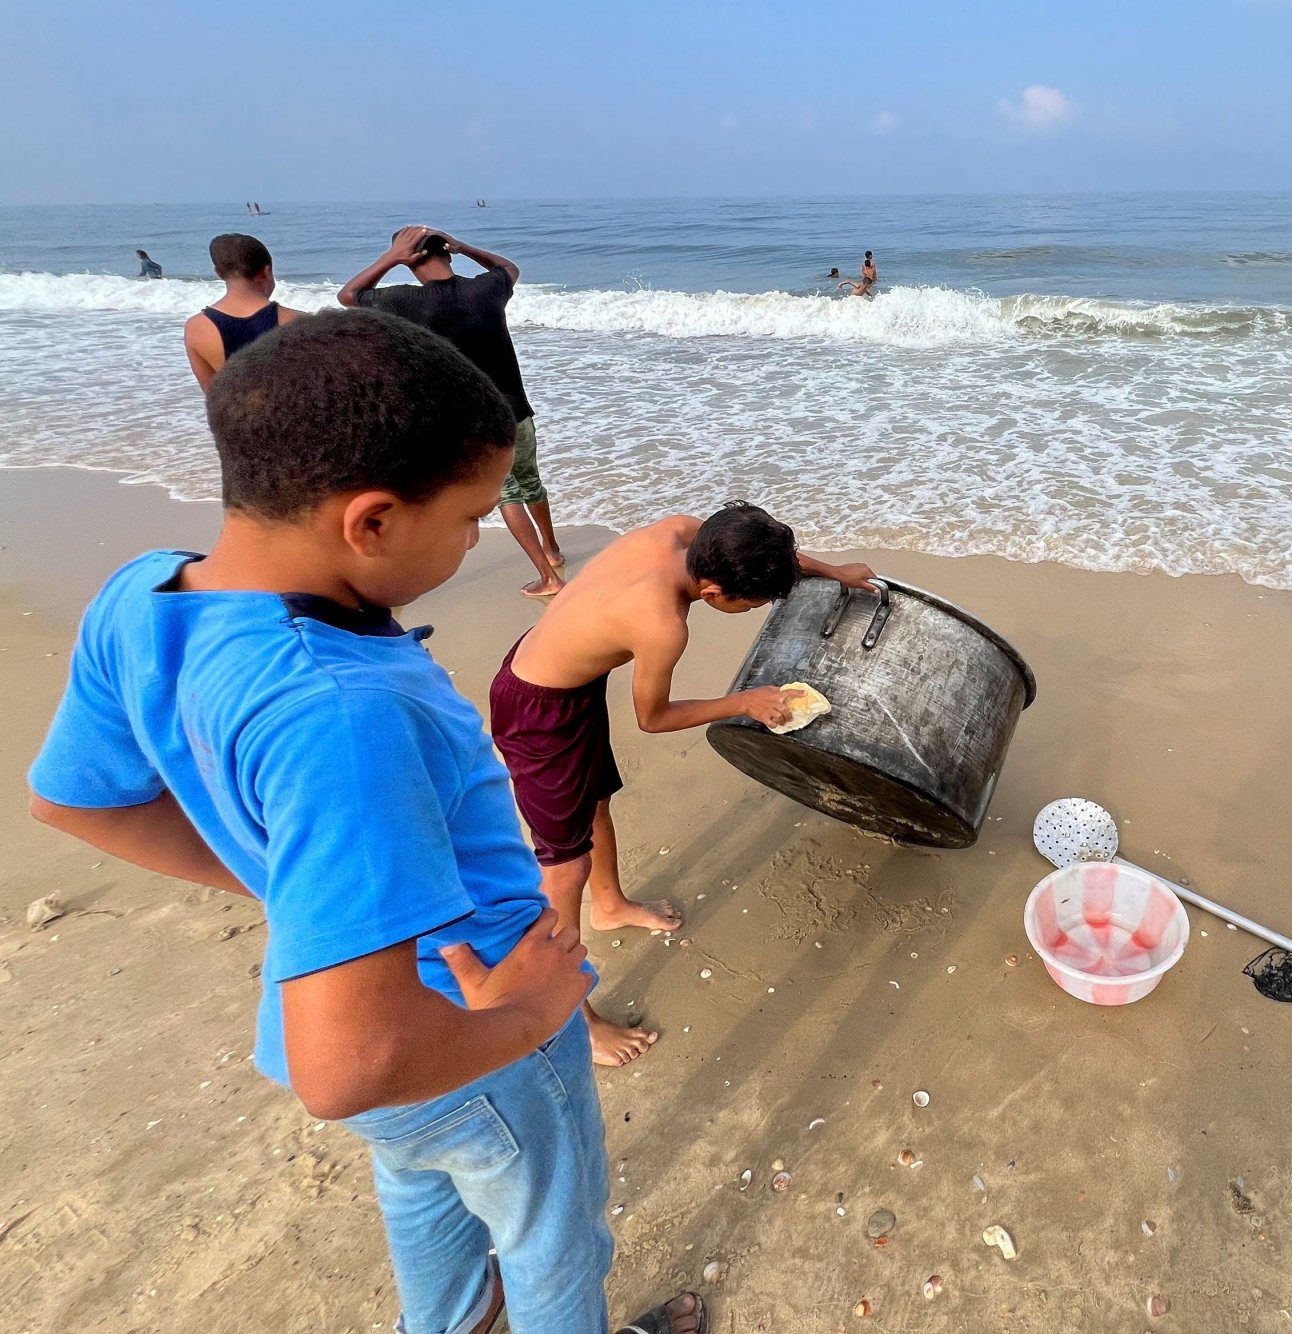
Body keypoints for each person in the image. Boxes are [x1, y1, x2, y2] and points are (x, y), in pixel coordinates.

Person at [25, 309, 706, 1334]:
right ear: (372, 521)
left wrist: (294, 890)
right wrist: (526, 1016)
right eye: (471, 515)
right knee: (553, 1239)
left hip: (408, 1055)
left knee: (422, 1187)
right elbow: (346, 1065)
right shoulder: (342, 714)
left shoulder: (143, 595)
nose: (479, 536)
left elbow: (73, 795)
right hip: (468, 1030)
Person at [489, 504, 874, 1066]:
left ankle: (612, 905)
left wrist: (833, 571)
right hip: (538, 710)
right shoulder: (663, 624)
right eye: (753, 604)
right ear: (715, 592)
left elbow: (764, 553)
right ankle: (571, 1019)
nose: (754, 610)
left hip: (566, 680)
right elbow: (655, 716)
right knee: (563, 866)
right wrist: (746, 701)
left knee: (595, 800)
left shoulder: (680, 530)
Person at [339, 226, 566, 599]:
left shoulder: (407, 302)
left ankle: (548, 577)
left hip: (476, 424)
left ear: (412, 261)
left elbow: (349, 295)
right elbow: (509, 267)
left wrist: (391, 257)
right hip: (518, 411)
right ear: (447, 252)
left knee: (508, 494)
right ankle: (553, 551)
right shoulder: (485, 289)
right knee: (530, 481)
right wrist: (465, 247)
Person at [182, 233, 304, 392]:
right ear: (266, 271)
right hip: (289, 415)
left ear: (219, 273)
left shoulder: (196, 328)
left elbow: (212, 397)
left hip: (235, 416)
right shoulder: (297, 321)